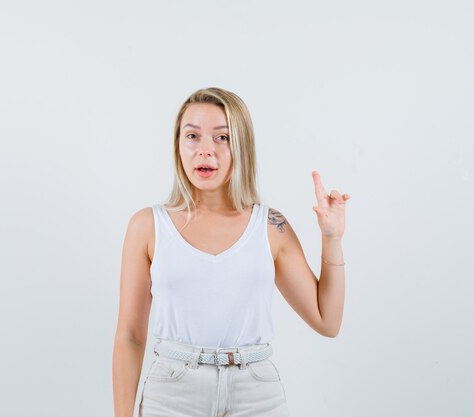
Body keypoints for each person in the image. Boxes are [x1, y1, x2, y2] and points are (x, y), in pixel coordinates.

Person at [112, 87, 350, 417]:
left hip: (256, 395)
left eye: (221, 138)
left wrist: (332, 238)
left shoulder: (270, 225)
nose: (205, 151)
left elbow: (328, 321)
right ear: (178, 144)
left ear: (241, 146)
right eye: (192, 136)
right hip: (172, 394)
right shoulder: (147, 226)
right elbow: (130, 336)